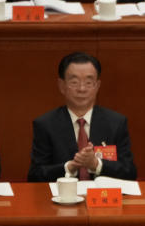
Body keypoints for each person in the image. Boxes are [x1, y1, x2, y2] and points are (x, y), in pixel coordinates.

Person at [28, 52, 136, 182]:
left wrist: (96, 164)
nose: (82, 88)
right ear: (62, 86)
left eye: (89, 82)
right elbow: (35, 176)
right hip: (61, 200)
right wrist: (70, 167)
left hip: (102, 200)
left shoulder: (116, 123)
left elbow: (129, 172)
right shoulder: (45, 124)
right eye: (74, 82)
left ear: (97, 86)